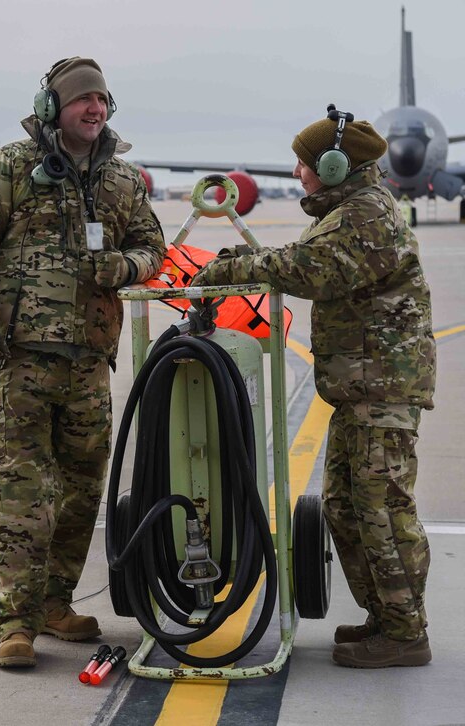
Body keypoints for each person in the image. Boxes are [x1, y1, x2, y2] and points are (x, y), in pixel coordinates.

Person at [192, 110, 435, 668]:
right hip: (362, 386)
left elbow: (307, 270)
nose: (298, 171)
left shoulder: (365, 214)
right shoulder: (347, 210)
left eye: (304, 161)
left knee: (381, 508)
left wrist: (228, 268)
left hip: (383, 388)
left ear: (333, 165)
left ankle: (405, 634)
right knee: (346, 506)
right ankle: (386, 617)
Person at [0, 57, 165, 668]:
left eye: (101, 99)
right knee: (23, 487)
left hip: (91, 363)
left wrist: (124, 267)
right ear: (53, 109)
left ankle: (54, 602)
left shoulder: (124, 181)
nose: (93, 109)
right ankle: (13, 622)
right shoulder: (11, 168)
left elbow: (153, 245)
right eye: (81, 100)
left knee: (80, 491)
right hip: (21, 358)